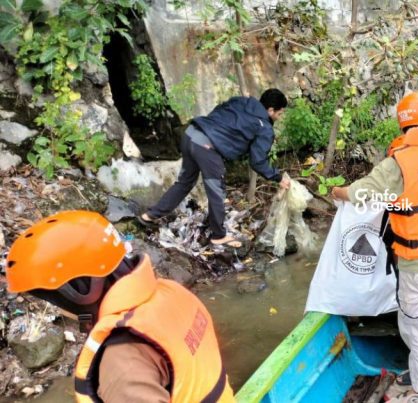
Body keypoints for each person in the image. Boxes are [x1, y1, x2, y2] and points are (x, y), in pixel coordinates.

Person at [4, 211, 235, 402]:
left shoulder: (122, 360)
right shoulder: (170, 292)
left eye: (50, 301)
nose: (58, 310)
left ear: (74, 294)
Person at [330, 92, 418, 398]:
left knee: (415, 323)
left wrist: (338, 192)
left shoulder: (399, 163)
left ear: (405, 125)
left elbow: (362, 194)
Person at [139, 89, 291, 249]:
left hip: (191, 134)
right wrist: (278, 178)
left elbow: (220, 111)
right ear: (270, 110)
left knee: (184, 183)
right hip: (206, 147)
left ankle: (149, 215)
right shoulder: (264, 127)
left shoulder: (241, 101)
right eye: (279, 114)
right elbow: (258, 161)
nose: (278, 118)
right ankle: (218, 236)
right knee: (217, 190)